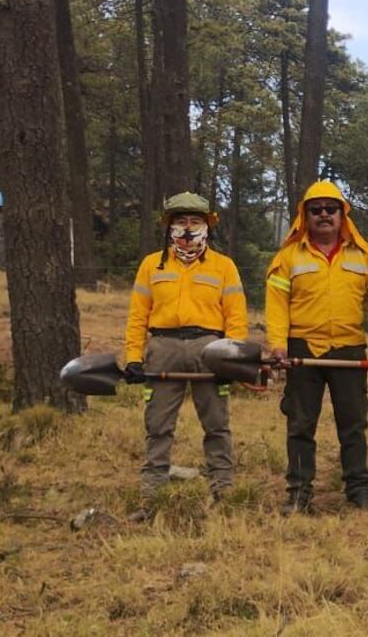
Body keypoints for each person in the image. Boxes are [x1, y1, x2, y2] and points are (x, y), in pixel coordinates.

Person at [265, 180, 368, 514]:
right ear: (304, 216)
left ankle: (358, 490)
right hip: (301, 351)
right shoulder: (288, 258)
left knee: (353, 424)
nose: (324, 215)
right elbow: (277, 306)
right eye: (316, 209)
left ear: (342, 215)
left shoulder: (362, 257)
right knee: (300, 425)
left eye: (330, 209)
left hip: (350, 350)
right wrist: (278, 346)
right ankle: (298, 494)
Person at [124, 192, 247, 515]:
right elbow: (137, 315)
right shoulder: (152, 265)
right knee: (158, 424)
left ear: (207, 225)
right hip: (163, 347)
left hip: (211, 348)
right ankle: (152, 496)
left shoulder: (224, 267)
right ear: (169, 227)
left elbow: (236, 317)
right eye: (181, 222)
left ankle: (224, 493)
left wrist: (233, 357)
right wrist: (134, 358)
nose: (188, 228)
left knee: (217, 423)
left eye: (195, 221)